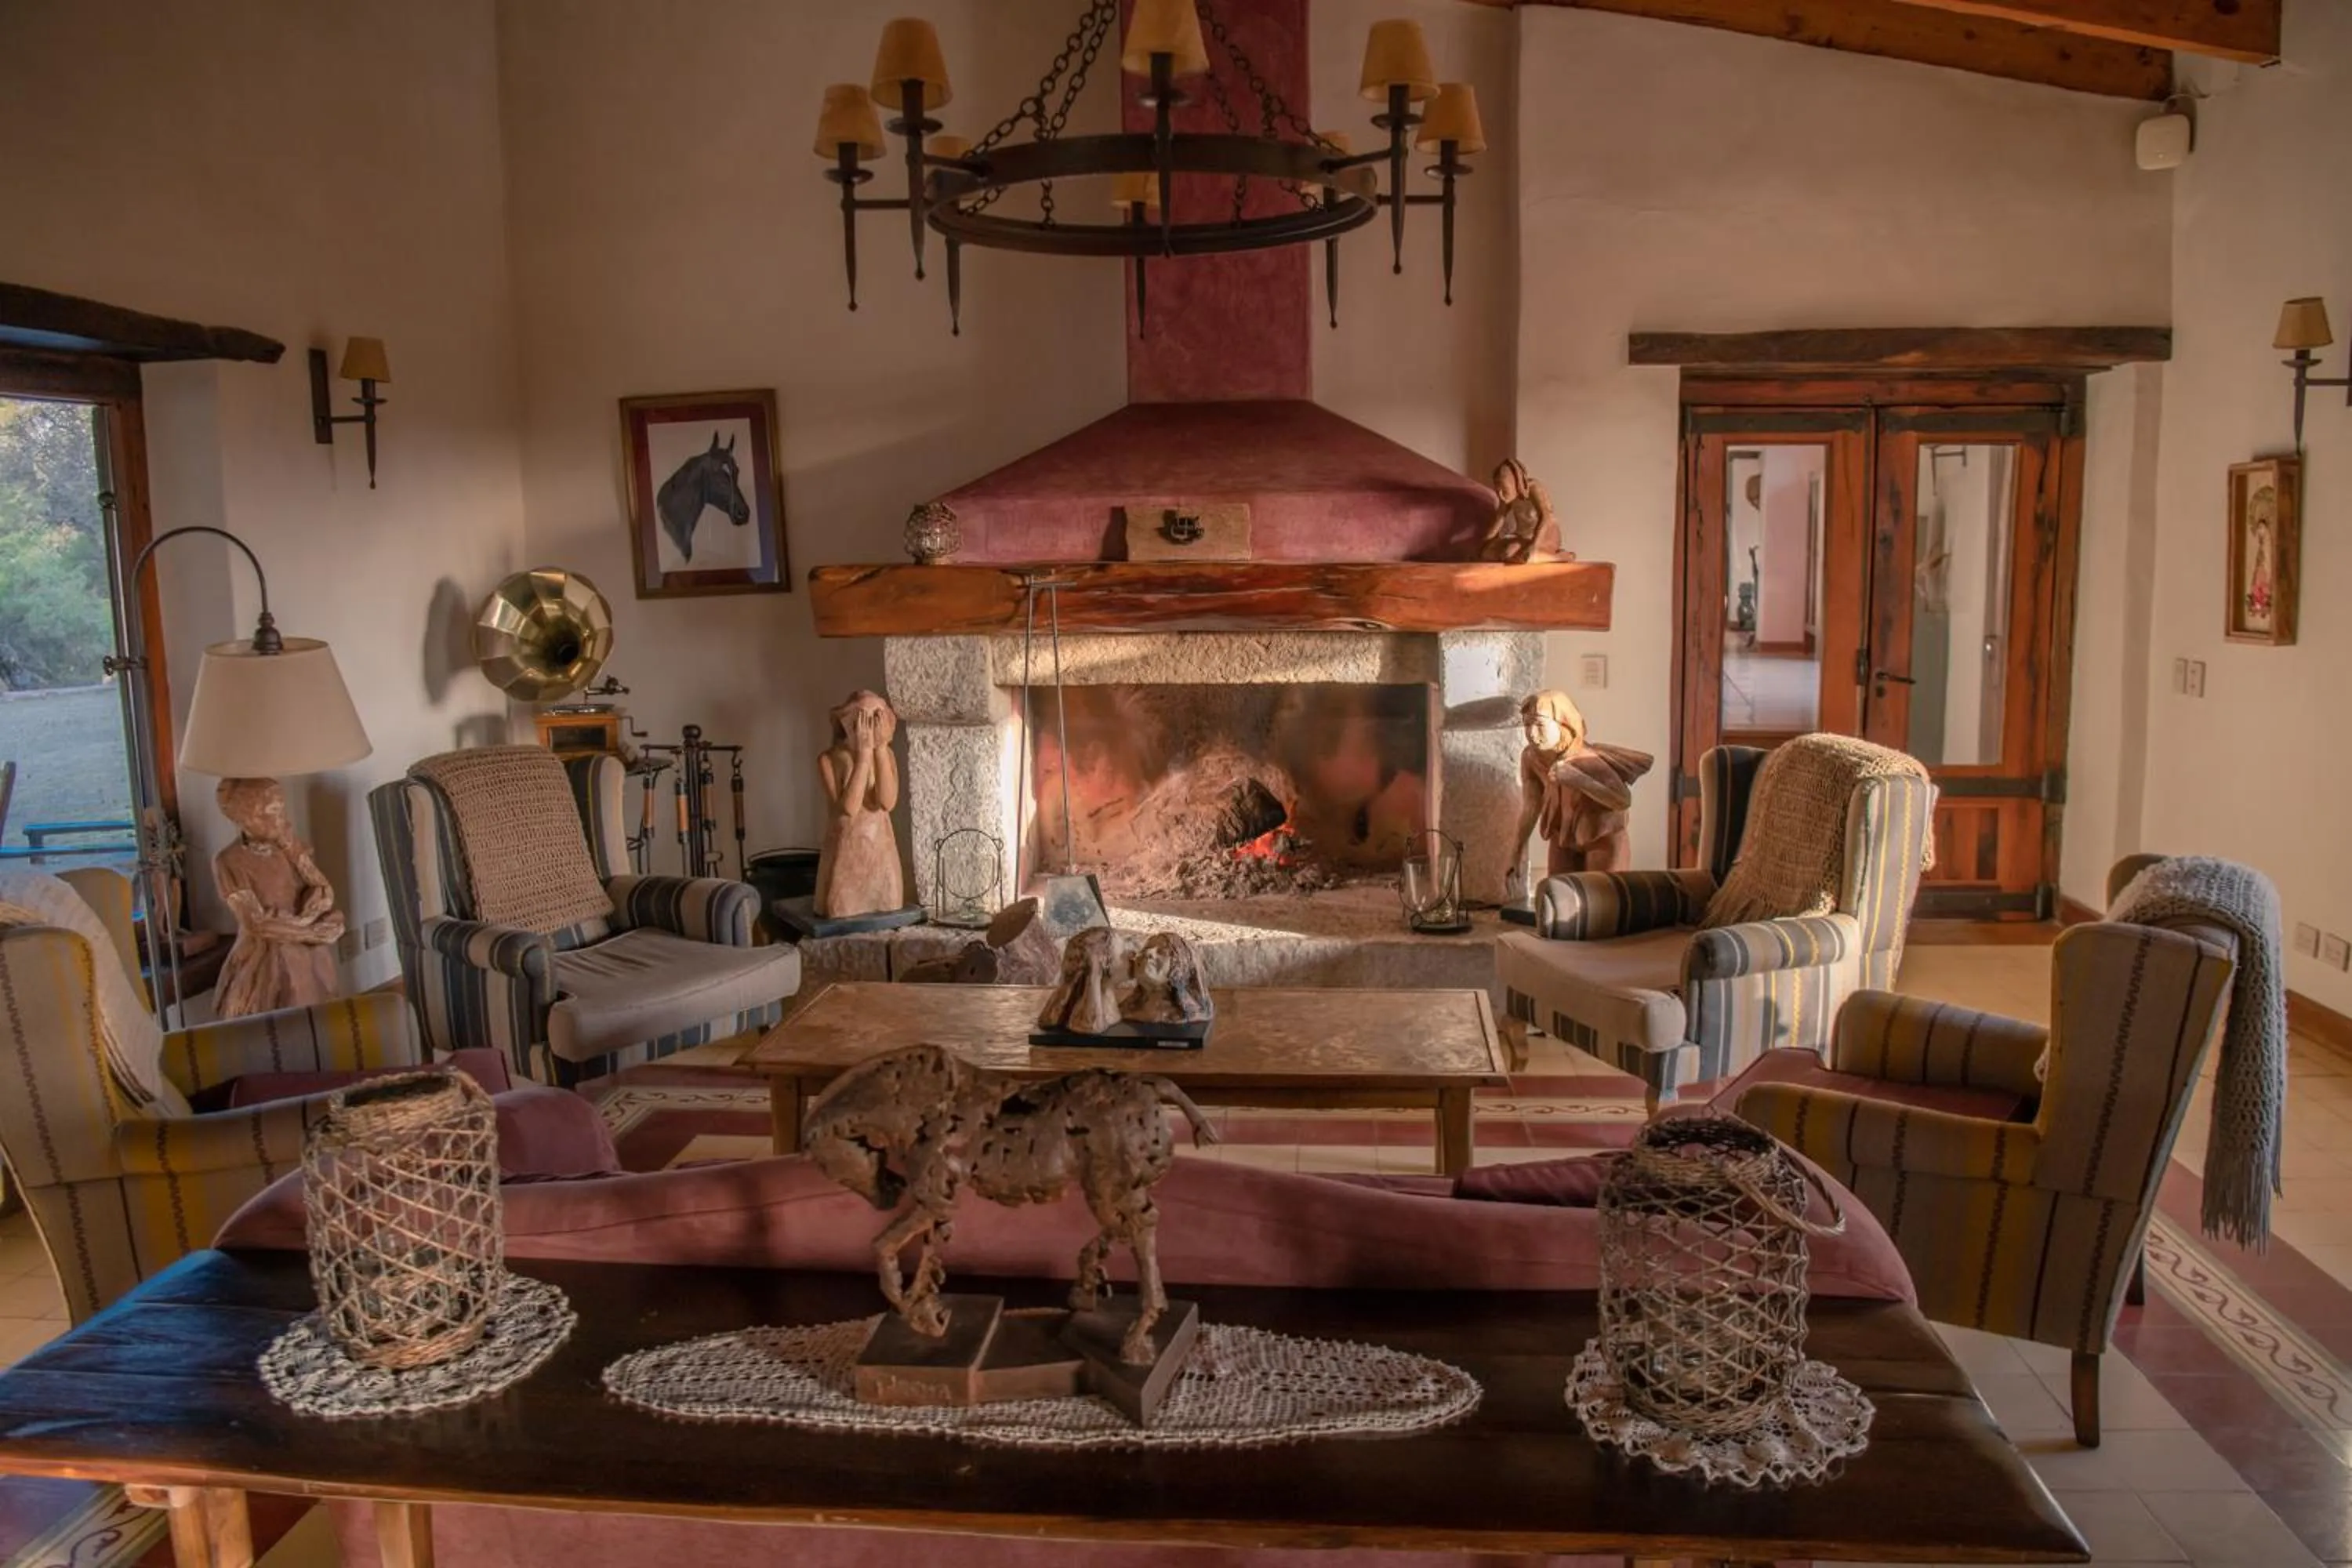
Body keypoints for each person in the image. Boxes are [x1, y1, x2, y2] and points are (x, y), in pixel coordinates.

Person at [212, 776, 344, 1018]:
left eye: (282, 810)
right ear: (245, 819)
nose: (281, 820)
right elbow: (255, 923)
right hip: (268, 955)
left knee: (323, 1012)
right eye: (271, 813)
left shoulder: (288, 847)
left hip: (308, 949)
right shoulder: (230, 861)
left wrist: (293, 851)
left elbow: (323, 888)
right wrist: (308, 933)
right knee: (287, 1010)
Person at [1508, 690, 1655, 902]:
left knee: (1602, 903)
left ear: (1564, 725)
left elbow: (1622, 799)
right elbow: (1532, 805)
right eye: (1527, 725)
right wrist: (1517, 849)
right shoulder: (1531, 758)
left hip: (1601, 836)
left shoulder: (1586, 758)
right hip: (1563, 836)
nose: (1531, 733)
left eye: (1539, 725)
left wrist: (1576, 776)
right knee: (1560, 900)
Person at [814, 689, 905, 919]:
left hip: (880, 853)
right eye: (865, 718)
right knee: (840, 909)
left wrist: (881, 750)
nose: (872, 726)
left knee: (889, 906)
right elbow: (850, 808)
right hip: (848, 856)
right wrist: (864, 755)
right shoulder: (828, 760)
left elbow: (887, 801)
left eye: (878, 717)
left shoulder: (887, 756)